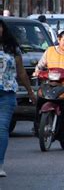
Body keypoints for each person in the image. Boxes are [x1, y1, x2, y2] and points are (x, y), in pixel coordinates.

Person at [0, 20, 36, 177]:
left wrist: (30, 92)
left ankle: (0, 164)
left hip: (7, 94)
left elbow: (21, 73)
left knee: (2, 129)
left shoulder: (12, 49)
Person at [34, 31, 64, 136]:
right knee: (39, 98)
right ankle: (37, 125)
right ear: (59, 40)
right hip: (49, 84)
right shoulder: (50, 50)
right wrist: (37, 71)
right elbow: (40, 65)